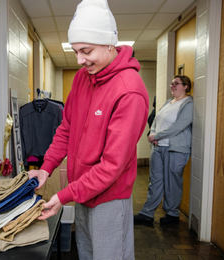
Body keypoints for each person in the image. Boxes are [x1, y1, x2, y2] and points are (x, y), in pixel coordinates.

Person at [28, 0, 149, 259]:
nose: (80, 60)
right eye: (75, 51)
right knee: (86, 254)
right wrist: (46, 168)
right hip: (83, 190)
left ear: (109, 43)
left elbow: (111, 166)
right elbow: (66, 129)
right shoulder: (83, 78)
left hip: (109, 198)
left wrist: (63, 196)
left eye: (86, 51)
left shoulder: (129, 91)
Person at [134, 75, 193, 224]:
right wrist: (152, 134)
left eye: (176, 84)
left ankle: (172, 214)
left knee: (173, 181)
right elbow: (156, 119)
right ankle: (147, 213)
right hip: (158, 147)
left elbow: (179, 126)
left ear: (186, 86)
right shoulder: (168, 102)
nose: (172, 86)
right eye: (171, 84)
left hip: (175, 149)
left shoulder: (188, 104)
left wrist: (157, 135)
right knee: (155, 181)